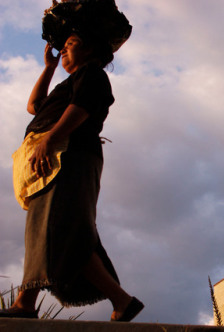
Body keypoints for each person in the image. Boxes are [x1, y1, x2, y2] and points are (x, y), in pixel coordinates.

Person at [0, 3, 143, 322]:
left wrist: (50, 140)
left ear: (91, 48)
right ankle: (121, 300)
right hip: (52, 162)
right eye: (62, 48)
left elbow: (83, 107)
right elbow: (34, 105)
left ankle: (26, 302)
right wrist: (49, 68)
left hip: (69, 157)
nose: (63, 52)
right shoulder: (66, 83)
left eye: (70, 46)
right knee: (61, 232)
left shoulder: (92, 75)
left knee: (57, 228)